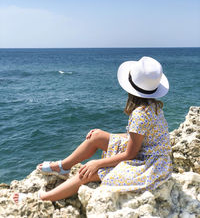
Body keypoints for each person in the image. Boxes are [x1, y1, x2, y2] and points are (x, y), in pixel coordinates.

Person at [13, 56, 172, 203]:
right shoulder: (153, 106)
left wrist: (97, 163)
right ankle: (63, 167)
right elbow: (138, 136)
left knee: (86, 173)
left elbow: (131, 154)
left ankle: (41, 198)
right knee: (96, 136)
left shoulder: (140, 114)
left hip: (150, 164)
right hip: (148, 153)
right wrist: (107, 136)